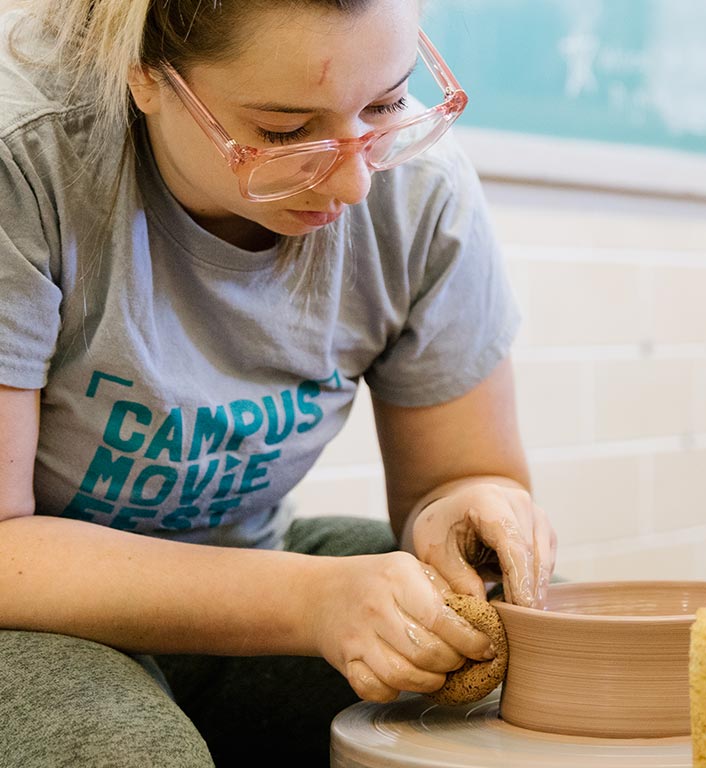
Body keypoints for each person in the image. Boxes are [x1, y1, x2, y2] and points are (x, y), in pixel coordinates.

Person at [0, 0, 557, 764]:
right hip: (27, 615)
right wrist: (310, 603)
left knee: (525, 670)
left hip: (247, 564)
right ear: (143, 73)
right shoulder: (25, 164)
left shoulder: (419, 191)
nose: (357, 182)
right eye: (285, 132)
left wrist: (467, 510)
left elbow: (458, 477)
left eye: (388, 102)